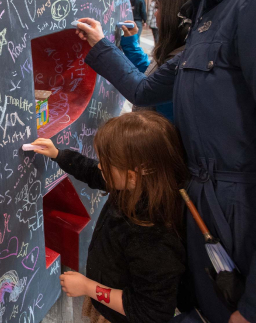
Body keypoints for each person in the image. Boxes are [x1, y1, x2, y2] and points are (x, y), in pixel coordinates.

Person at [74, 0, 256, 322]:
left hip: (234, 221)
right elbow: (144, 89)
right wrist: (103, 46)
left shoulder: (246, 6)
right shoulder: (211, 20)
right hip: (203, 212)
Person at [30, 111, 187, 323]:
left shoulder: (155, 236)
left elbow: (151, 312)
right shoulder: (138, 186)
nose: (100, 166)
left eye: (106, 164)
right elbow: (92, 172)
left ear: (132, 175)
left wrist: (87, 286)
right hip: (107, 297)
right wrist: (58, 154)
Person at [118, 0, 192, 122]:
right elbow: (152, 75)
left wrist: (100, 46)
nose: (156, 14)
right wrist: (131, 43)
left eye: (158, 7)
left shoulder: (186, 61)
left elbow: (146, 89)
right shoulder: (179, 53)